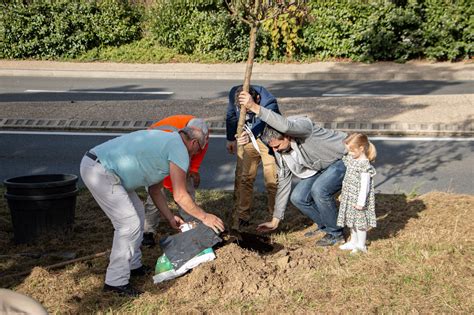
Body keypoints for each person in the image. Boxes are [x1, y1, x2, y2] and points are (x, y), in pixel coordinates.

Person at [80, 127, 224, 297]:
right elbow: (180, 195)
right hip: (101, 170)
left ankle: (133, 265)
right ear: (193, 143)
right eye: (198, 150)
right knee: (128, 224)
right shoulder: (179, 150)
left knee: (138, 212)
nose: (196, 155)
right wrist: (205, 217)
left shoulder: (170, 141)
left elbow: (155, 190)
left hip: (101, 166)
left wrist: (170, 217)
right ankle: (115, 282)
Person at [238, 91, 347, 247]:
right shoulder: (280, 153)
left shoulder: (302, 127)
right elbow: (283, 183)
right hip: (320, 167)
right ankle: (325, 226)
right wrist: (275, 220)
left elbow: (286, 125)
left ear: (287, 137)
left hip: (342, 159)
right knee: (298, 197)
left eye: (277, 146)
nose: (275, 150)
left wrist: (254, 107)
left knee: (319, 190)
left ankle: (336, 233)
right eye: (272, 147)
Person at [142, 115, 210, 247]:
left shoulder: (202, 133)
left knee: (186, 193)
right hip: (154, 159)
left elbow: (200, 150)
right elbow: (174, 189)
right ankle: (147, 232)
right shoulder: (171, 135)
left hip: (174, 156)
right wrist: (179, 193)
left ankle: (193, 226)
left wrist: (194, 169)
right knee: (156, 196)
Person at [226, 85, 280, 229]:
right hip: (248, 139)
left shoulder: (270, 103)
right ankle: (243, 215)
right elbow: (231, 115)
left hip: (268, 141)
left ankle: (274, 216)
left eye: (249, 109)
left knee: (271, 180)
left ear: (256, 99)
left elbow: (264, 122)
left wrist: (250, 136)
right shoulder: (235, 93)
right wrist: (230, 138)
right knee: (246, 178)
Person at [337, 133, 377, 253]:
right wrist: (343, 193)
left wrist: (361, 202)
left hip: (359, 199)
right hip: (350, 196)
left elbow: (365, 187)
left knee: (360, 224)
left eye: (352, 151)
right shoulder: (352, 160)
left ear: (361, 148)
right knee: (351, 221)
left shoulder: (364, 166)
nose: (349, 153)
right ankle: (353, 241)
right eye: (348, 150)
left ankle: (361, 245)